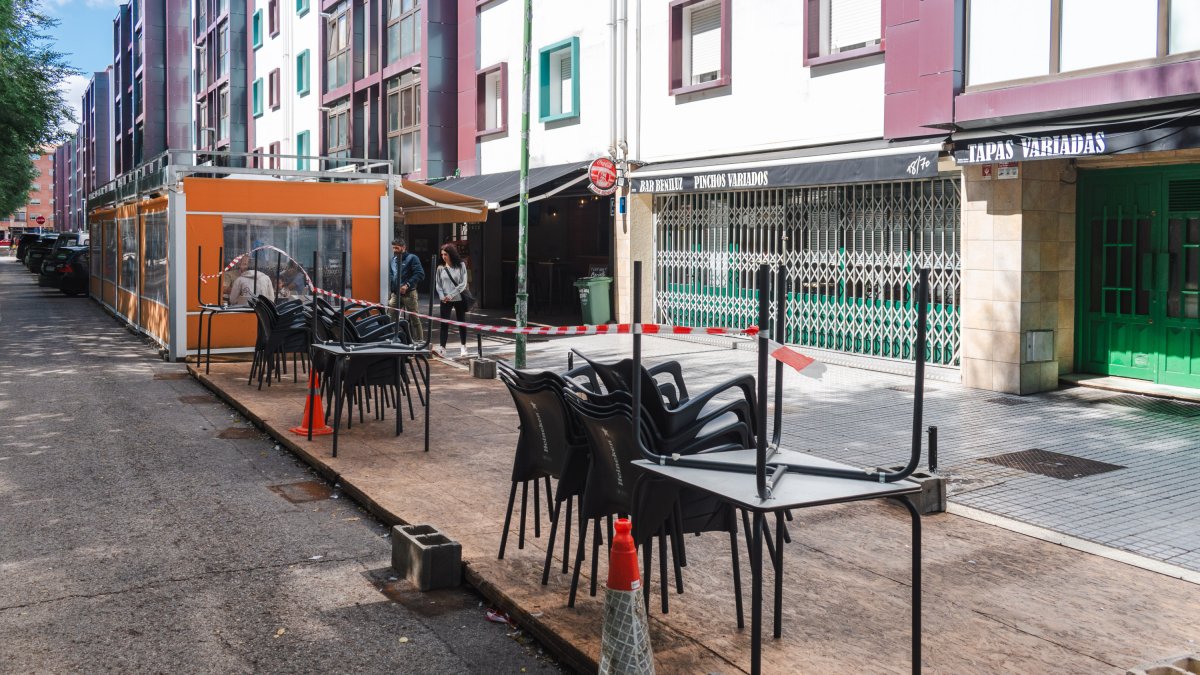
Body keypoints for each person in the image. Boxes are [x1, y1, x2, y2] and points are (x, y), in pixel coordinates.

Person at [434, 243, 470, 358]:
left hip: (459, 298)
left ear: (451, 254)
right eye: (442, 254)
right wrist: (442, 296)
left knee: (461, 322)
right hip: (445, 300)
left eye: (446, 254)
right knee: (444, 323)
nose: (444, 256)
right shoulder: (440, 268)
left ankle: (463, 346)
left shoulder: (461, 265)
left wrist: (451, 295)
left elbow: (463, 284)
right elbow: (438, 284)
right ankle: (442, 348)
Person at [388, 238, 425, 343]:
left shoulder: (412, 258)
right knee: (390, 316)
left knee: (414, 318)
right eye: (393, 248)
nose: (395, 250)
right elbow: (393, 275)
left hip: (409, 293)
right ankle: (391, 338)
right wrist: (393, 291)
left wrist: (407, 285)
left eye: (397, 248)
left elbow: (420, 274)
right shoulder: (393, 260)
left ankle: (420, 341)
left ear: (404, 247)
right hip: (396, 294)